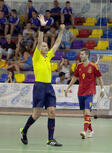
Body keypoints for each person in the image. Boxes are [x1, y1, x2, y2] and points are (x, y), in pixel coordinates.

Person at [19, 14, 65, 146]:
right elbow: (39, 42)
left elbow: (56, 43)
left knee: (52, 111)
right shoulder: (37, 58)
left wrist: (61, 31)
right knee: (37, 114)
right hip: (39, 86)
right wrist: (42, 27)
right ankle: (24, 130)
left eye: (46, 46)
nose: (45, 47)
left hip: (48, 87)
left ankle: (50, 139)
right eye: (44, 46)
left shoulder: (48, 58)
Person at [65, 48, 105, 139]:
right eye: (80, 54)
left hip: (90, 91)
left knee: (87, 111)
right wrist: (68, 87)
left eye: (82, 54)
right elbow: (74, 78)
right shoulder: (78, 66)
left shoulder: (94, 66)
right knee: (85, 114)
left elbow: (99, 78)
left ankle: (84, 131)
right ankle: (91, 130)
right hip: (80, 92)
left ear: (87, 55)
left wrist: (102, 89)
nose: (81, 56)